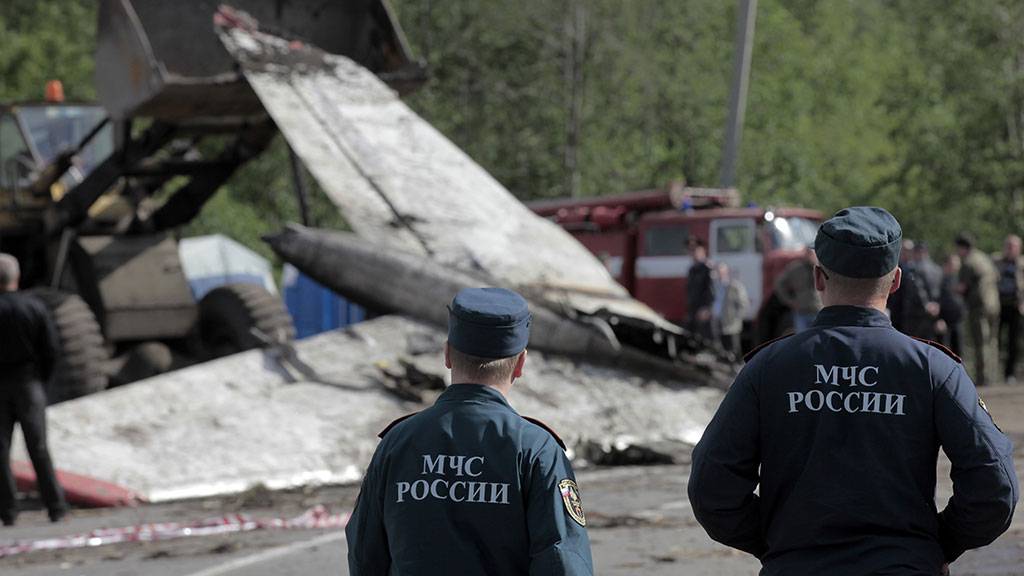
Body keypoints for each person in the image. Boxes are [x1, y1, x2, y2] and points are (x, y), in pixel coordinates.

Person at [688, 207, 1018, 575]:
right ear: (895, 281)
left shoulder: (768, 368)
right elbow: (994, 486)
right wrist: (935, 545)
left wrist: (778, 544)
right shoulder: (932, 368)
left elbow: (711, 488)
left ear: (817, 277)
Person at [346, 287, 593, 575]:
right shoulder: (536, 450)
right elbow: (563, 562)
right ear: (520, 364)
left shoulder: (397, 443)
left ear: (448, 354)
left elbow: (365, 554)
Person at [0, 253, 67, 526]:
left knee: (1, 451)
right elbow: (51, 349)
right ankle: (56, 507)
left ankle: (7, 511)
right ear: (16, 277)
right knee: (38, 448)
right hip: (29, 385)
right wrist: (42, 381)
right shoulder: (35, 307)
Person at [956, 232, 1001, 386]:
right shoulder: (984, 258)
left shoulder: (968, 262)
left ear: (962, 247)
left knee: (980, 342)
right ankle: (993, 375)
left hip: (979, 307)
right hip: (994, 304)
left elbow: (962, 287)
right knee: (993, 341)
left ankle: (983, 378)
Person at [994, 234, 1024, 384]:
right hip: (998, 307)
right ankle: (994, 372)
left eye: (1014, 246)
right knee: (995, 340)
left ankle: (1010, 374)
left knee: (1013, 342)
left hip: (1015, 307)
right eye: (1008, 246)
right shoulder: (996, 261)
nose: (1011, 249)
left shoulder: (1022, 264)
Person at [774, 246, 822, 333]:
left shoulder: (821, 268)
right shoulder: (795, 268)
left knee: (817, 339)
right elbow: (779, 284)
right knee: (802, 340)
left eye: (812, 253)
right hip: (801, 310)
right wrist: (789, 301)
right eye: (808, 253)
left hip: (817, 310)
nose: (810, 256)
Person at [902, 241, 943, 339]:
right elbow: (941, 291)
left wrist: (926, 304)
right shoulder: (937, 269)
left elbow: (918, 288)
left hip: (916, 312)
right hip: (934, 313)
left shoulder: (914, 268)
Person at [711, 263, 749, 357]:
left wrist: (736, 319)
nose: (718, 274)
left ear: (726, 272)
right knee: (722, 351)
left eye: (721, 272)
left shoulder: (734, 287)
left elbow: (743, 304)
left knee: (734, 350)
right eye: (717, 272)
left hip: (731, 324)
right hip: (718, 322)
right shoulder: (714, 287)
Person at [686, 240, 714, 338]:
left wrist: (707, 308)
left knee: (707, 338)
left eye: (695, 250)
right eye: (690, 250)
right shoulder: (692, 270)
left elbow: (711, 290)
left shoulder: (708, 268)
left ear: (702, 251)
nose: (692, 253)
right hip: (693, 309)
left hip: (704, 311)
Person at [938, 254, 965, 356]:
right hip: (944, 321)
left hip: (957, 321)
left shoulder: (958, 279)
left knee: (958, 352)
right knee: (944, 352)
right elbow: (936, 300)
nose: (956, 266)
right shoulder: (939, 280)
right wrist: (938, 319)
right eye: (954, 264)